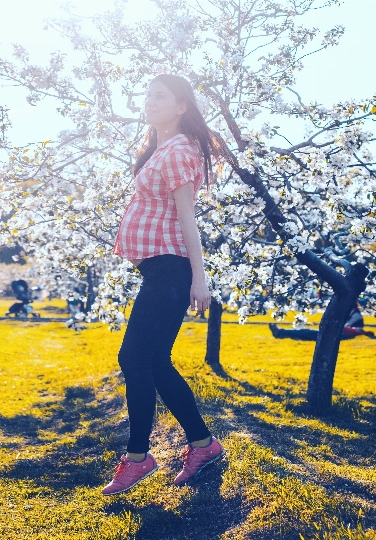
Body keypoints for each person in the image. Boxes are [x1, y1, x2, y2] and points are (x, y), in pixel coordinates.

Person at [102, 74, 231, 496]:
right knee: (153, 362)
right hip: (160, 271)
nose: (149, 100)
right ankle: (203, 445)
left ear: (181, 107)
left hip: (172, 271)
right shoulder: (161, 147)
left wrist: (200, 276)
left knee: (134, 358)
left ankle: (138, 458)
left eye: (161, 96)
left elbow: (188, 220)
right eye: (148, 93)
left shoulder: (176, 151)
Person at [268, 302, 375, 341]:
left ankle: (281, 333)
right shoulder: (351, 314)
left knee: (306, 332)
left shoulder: (355, 315)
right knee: (306, 333)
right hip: (339, 333)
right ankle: (281, 333)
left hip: (340, 334)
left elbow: (346, 327)